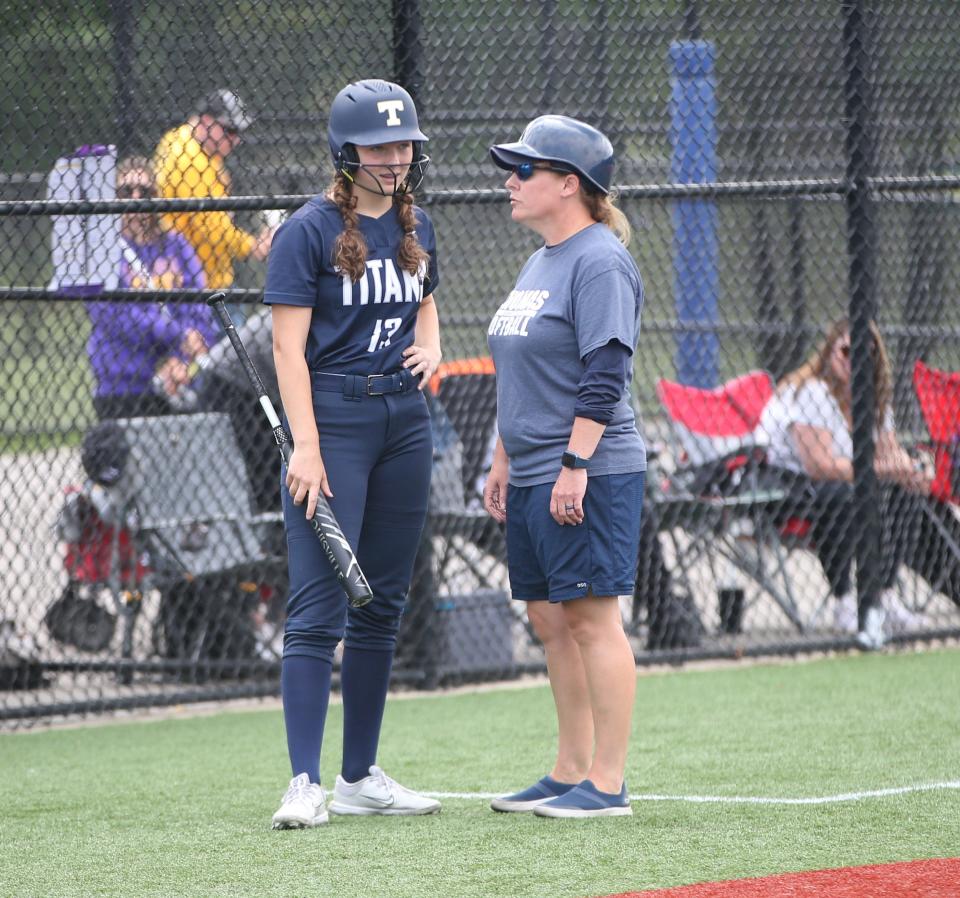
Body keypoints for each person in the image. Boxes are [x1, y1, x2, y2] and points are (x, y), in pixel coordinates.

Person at [264, 79, 442, 829]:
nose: (396, 158)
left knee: (383, 603)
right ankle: (304, 782)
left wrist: (431, 342)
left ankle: (359, 776)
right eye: (381, 146)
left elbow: (424, 296)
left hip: (405, 423)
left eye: (404, 145)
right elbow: (286, 346)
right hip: (332, 421)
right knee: (317, 609)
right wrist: (305, 445)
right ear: (347, 151)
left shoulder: (417, 222)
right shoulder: (306, 231)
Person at [483, 115, 646, 818]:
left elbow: (604, 373)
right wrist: (501, 457)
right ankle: (569, 769)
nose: (511, 182)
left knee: (590, 619)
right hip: (531, 470)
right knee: (551, 620)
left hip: (587, 467)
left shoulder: (599, 259)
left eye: (525, 170)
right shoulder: (543, 257)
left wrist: (574, 464)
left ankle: (606, 785)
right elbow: (523, 369)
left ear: (569, 185)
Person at [758, 318, 960, 646]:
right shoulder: (812, 391)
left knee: (902, 492)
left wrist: (912, 471)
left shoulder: (874, 399)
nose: (854, 361)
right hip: (784, 490)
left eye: (865, 354)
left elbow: (889, 457)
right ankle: (843, 601)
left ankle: (884, 595)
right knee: (839, 494)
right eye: (846, 351)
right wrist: (881, 469)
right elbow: (819, 465)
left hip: (847, 485)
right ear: (829, 351)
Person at [86, 156, 215, 420]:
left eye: (144, 191)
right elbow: (116, 317)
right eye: (125, 192)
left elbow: (200, 307)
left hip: (178, 379)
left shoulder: (177, 246)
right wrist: (179, 335)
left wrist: (181, 359)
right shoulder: (102, 250)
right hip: (124, 383)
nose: (135, 198)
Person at [153, 89, 273, 321]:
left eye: (238, 132)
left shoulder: (181, 139)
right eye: (229, 130)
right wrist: (253, 246)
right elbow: (212, 229)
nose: (235, 139)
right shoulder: (189, 160)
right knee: (232, 353)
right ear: (206, 121)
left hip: (197, 275)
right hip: (202, 285)